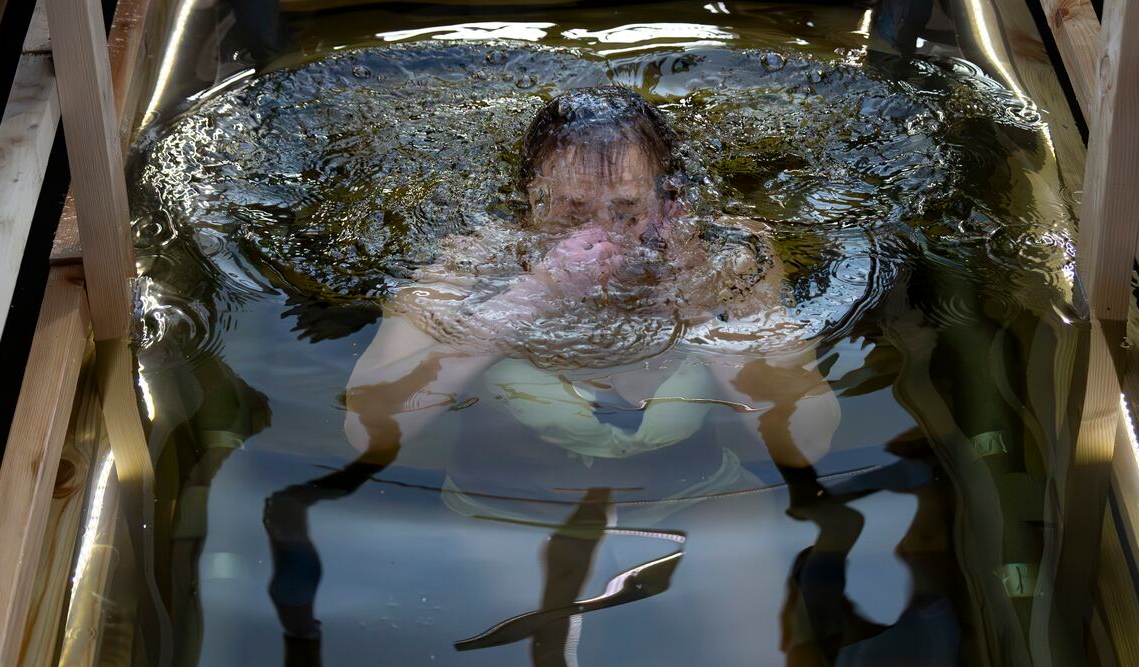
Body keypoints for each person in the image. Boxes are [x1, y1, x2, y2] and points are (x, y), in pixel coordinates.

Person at [341, 86, 841, 492]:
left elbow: (807, 438)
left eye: (626, 211)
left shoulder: (733, 256)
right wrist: (529, 297)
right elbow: (366, 427)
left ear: (670, 201)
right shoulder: (474, 260)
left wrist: (697, 305)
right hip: (508, 503)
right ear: (530, 204)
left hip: (697, 491)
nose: (603, 236)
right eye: (571, 213)